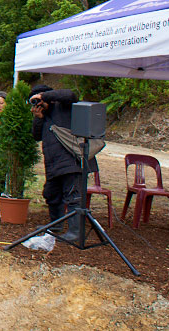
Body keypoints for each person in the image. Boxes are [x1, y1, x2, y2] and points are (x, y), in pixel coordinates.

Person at [29, 84, 97, 240]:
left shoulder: (63, 105)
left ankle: (75, 232)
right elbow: (36, 136)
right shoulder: (43, 115)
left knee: (73, 196)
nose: (39, 103)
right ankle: (56, 225)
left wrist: (45, 97)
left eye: (40, 98)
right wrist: (38, 118)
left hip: (71, 162)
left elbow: (71, 95)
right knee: (51, 194)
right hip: (54, 165)